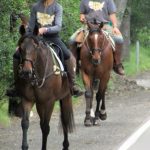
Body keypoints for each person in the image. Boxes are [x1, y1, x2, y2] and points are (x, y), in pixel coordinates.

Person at [6, 0, 83, 97]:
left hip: (53, 37)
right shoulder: (35, 6)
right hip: (36, 38)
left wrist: (45, 29)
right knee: (16, 54)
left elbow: (58, 27)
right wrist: (23, 41)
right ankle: (16, 85)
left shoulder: (57, 7)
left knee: (67, 54)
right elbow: (31, 27)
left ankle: (72, 85)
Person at [70, 0, 125, 75]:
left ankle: (118, 64)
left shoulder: (108, 1)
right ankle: (74, 65)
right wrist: (82, 18)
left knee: (119, 39)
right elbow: (82, 13)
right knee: (72, 40)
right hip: (89, 26)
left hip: (104, 26)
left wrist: (115, 26)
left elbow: (112, 14)